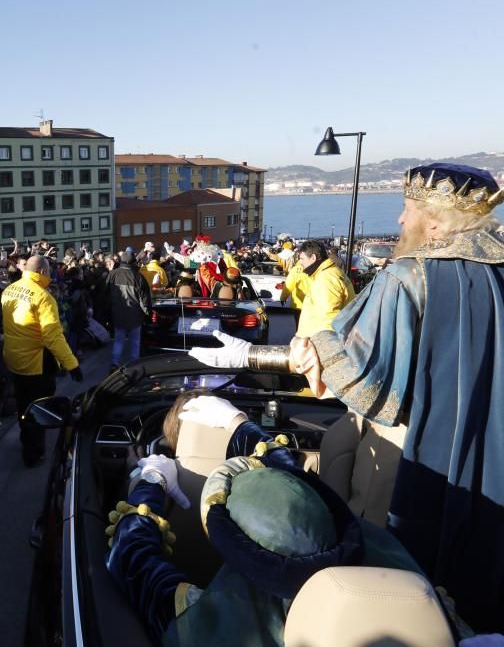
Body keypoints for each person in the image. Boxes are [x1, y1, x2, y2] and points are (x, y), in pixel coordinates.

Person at [189, 163, 504, 632]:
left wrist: (251, 355)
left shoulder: (408, 277)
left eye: (407, 209)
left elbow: (359, 371)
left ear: (435, 222)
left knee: (384, 568)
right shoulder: (496, 276)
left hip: (412, 450)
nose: (399, 221)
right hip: (485, 452)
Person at [106, 396, 456, 647]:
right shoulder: (377, 554)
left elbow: (131, 557)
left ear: (225, 529)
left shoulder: (213, 614)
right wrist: (238, 424)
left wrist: (150, 483)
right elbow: (293, 475)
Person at [1, 255, 81, 466]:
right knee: (39, 409)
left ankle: (25, 436)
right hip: (36, 363)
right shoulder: (44, 298)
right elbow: (53, 336)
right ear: (44, 272)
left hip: (14, 359)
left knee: (22, 404)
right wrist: (71, 363)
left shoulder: (9, 289)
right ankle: (33, 452)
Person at [293, 240, 355, 337]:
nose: (300, 263)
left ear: (313, 258)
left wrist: (318, 343)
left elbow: (329, 318)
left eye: (302, 259)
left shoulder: (326, 279)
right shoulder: (334, 272)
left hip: (316, 342)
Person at [105, 251, 152, 372]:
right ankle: (133, 365)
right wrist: (147, 314)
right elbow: (145, 299)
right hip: (135, 315)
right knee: (135, 341)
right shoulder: (138, 277)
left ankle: (114, 364)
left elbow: (105, 295)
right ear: (133, 262)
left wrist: (108, 313)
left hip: (117, 313)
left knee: (119, 339)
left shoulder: (112, 274)